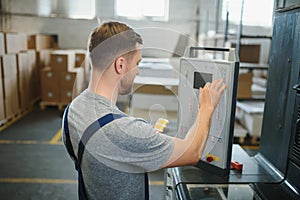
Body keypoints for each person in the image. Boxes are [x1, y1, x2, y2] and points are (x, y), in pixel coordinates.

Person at [62, 21, 226, 200]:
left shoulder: (73, 110)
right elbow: (192, 152)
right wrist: (206, 108)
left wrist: (139, 143)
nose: (137, 72)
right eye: (137, 63)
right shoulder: (123, 130)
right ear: (121, 65)